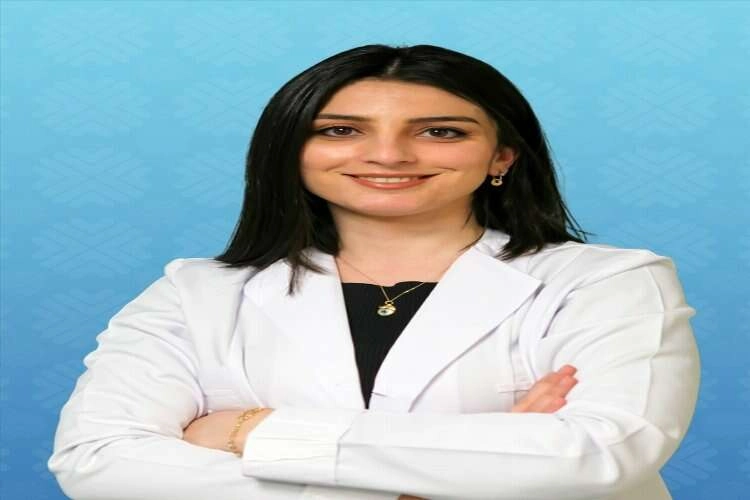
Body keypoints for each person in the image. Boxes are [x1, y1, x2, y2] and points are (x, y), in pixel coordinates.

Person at [48, 44, 700, 500]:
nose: (388, 155)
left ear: (501, 156)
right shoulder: (197, 292)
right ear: (292, 150)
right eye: (340, 130)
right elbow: (99, 461)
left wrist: (250, 431)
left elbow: (598, 455)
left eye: (440, 132)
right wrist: (447, 476)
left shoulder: (608, 282)